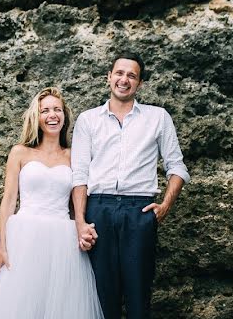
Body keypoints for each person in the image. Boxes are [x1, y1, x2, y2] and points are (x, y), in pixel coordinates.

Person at [0, 87, 104, 319]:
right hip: (23, 237)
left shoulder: (74, 156)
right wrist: (3, 247)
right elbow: (7, 203)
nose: (52, 115)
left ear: (65, 115)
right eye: (45, 110)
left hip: (62, 242)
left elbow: (78, 202)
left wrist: (83, 228)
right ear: (37, 117)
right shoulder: (20, 153)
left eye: (57, 109)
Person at [71, 52, 190, 319]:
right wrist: (80, 221)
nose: (124, 80)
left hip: (140, 211)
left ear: (140, 84)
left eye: (132, 76)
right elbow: (79, 175)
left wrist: (165, 206)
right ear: (109, 77)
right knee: (102, 296)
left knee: (139, 295)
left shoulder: (158, 117)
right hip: (98, 209)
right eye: (119, 73)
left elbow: (177, 167)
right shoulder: (88, 120)